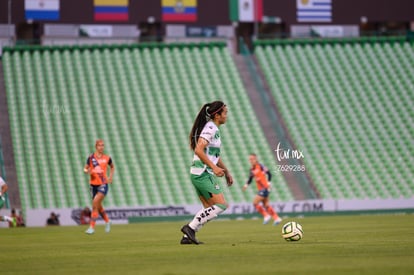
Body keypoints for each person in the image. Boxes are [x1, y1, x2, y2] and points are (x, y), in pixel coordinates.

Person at [180, 101, 233, 245]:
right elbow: (198, 149)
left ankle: (187, 237)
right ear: (217, 115)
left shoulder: (214, 128)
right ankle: (190, 228)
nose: (226, 116)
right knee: (221, 205)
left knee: (209, 208)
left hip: (199, 172)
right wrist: (214, 168)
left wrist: (226, 171)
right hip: (203, 173)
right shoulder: (210, 128)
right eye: (225, 113)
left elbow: (214, 155)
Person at [83, 139, 114, 234]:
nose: (101, 147)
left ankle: (92, 227)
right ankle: (108, 221)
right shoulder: (91, 157)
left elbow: (112, 167)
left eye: (103, 145)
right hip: (93, 185)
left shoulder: (107, 158)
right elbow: (85, 168)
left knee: (95, 204)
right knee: (99, 206)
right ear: (96, 146)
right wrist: (88, 171)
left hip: (103, 184)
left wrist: (110, 177)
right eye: (100, 145)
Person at [243, 154, 282, 225]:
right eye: (250, 159)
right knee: (266, 205)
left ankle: (266, 216)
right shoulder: (252, 170)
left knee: (255, 203)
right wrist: (246, 185)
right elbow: (250, 179)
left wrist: (269, 183)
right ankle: (276, 218)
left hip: (264, 188)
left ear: (256, 159)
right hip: (261, 189)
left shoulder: (260, 166)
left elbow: (269, 174)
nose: (251, 161)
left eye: (252, 159)